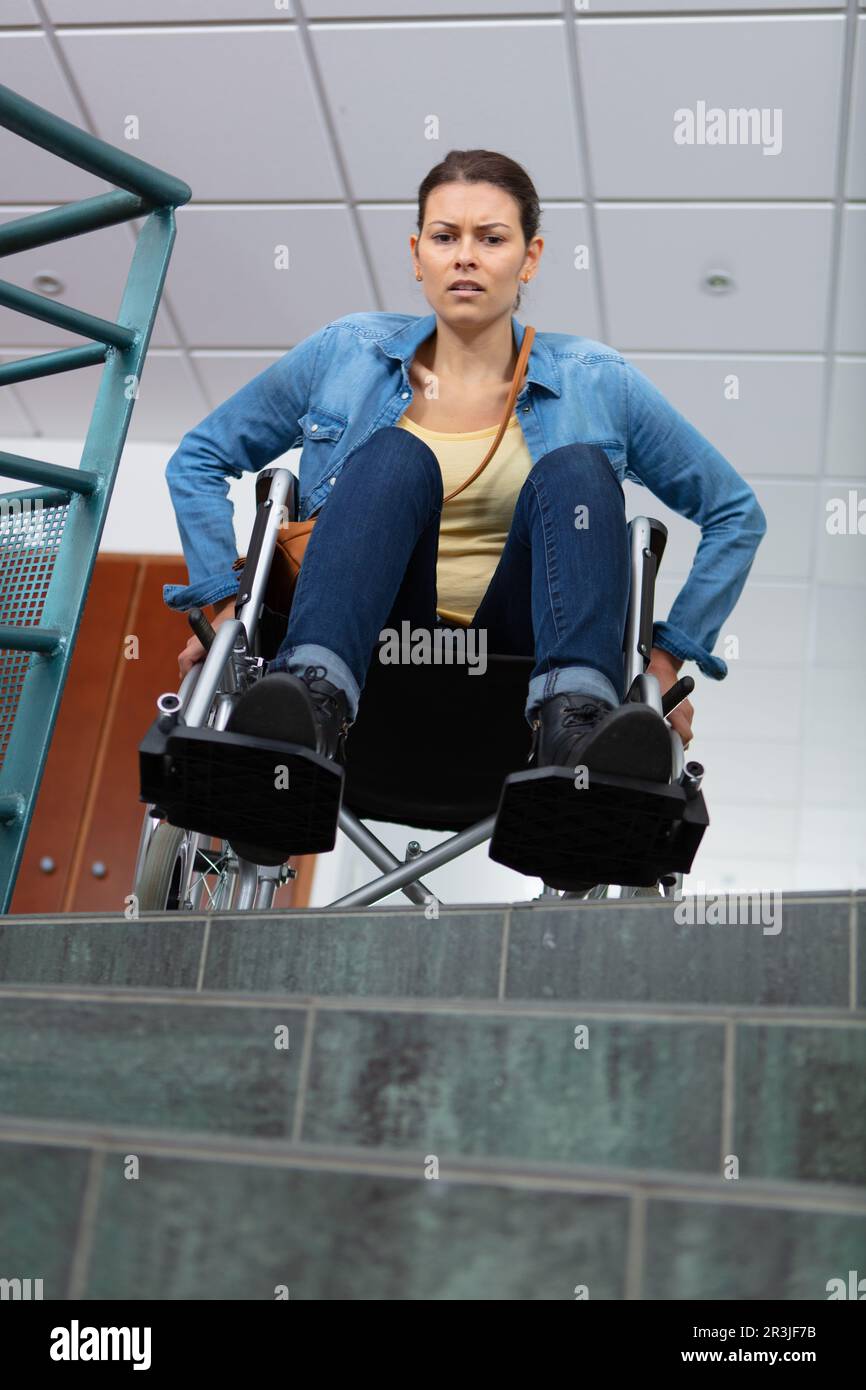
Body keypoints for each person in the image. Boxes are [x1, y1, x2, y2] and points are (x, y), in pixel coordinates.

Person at [164, 149, 766, 832]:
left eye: (492, 238)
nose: (466, 257)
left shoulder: (597, 380)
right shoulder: (345, 353)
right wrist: (221, 607)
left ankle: (579, 720)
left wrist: (663, 659)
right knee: (395, 455)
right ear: (417, 255)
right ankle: (310, 696)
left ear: (530, 259)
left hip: (519, 687)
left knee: (577, 470)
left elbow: (735, 514)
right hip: (370, 657)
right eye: (446, 237)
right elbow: (199, 459)